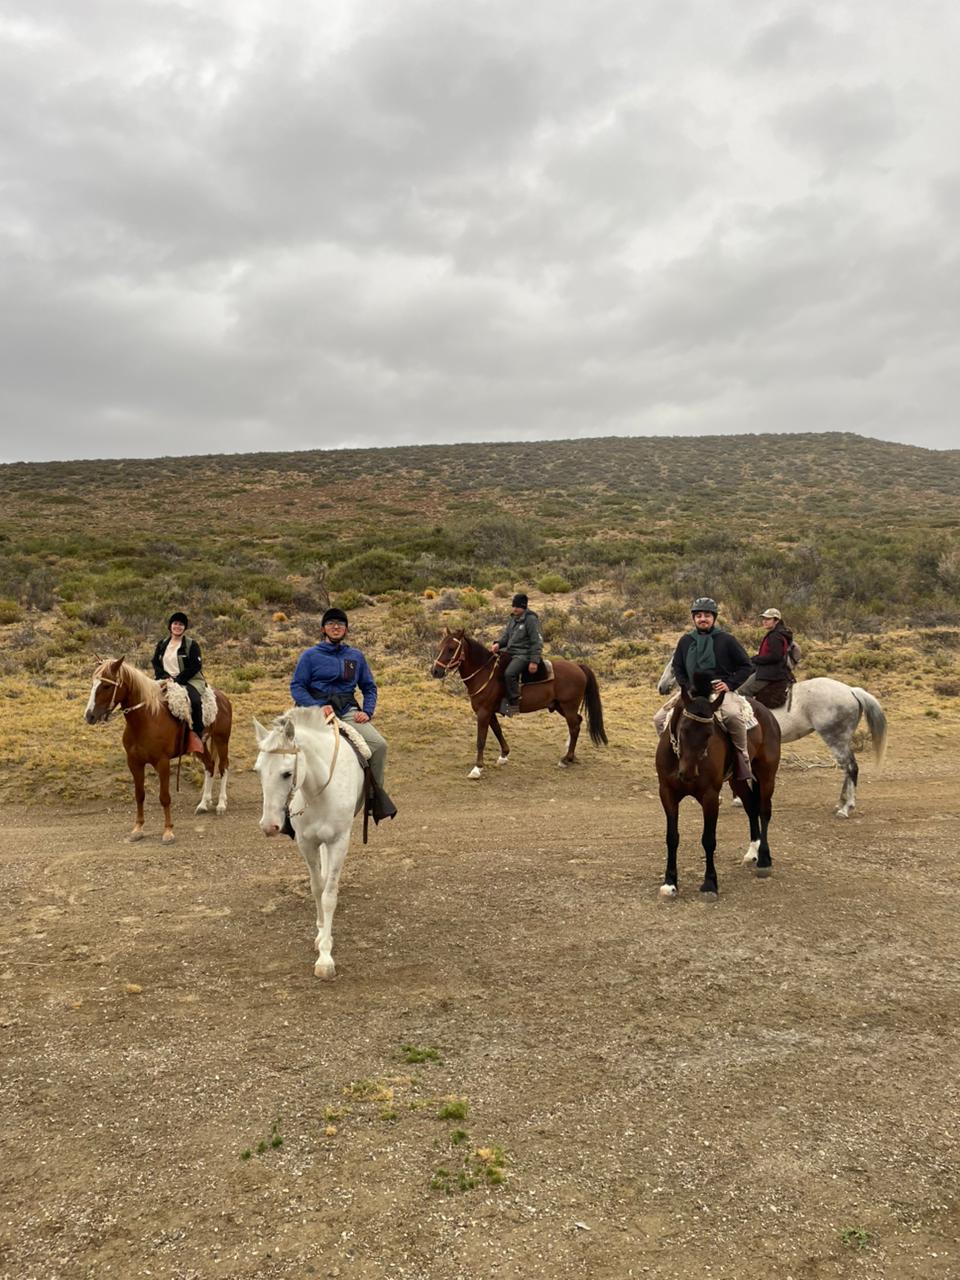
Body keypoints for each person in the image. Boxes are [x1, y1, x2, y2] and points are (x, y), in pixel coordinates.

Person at [290, 607, 394, 819]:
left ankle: (374, 798)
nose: (336, 627)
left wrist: (367, 711)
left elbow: (369, 687)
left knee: (379, 745)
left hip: (347, 710)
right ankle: (284, 806)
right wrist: (317, 705)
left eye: (340, 624)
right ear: (323, 629)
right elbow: (297, 687)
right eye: (331, 624)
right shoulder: (310, 656)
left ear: (346, 629)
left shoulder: (355, 656)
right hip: (314, 711)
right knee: (289, 749)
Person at [654, 596, 755, 781]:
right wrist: (686, 686)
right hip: (692, 692)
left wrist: (729, 684)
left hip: (719, 691)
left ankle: (742, 758)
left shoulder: (727, 640)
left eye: (707, 615)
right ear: (694, 618)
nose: (703, 619)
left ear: (714, 618)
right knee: (659, 718)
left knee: (733, 715)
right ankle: (678, 753)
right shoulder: (685, 641)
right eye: (699, 615)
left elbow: (746, 666)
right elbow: (678, 667)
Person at [151, 611, 206, 754]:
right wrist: (164, 676)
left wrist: (177, 680)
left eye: (181, 624)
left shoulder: (191, 645)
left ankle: (197, 734)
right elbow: (155, 662)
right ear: (170, 626)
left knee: (194, 701)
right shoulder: (162, 644)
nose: (178, 626)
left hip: (189, 680)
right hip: (165, 679)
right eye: (175, 623)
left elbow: (195, 666)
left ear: (184, 627)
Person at [491, 593, 543, 716]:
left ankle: (514, 704)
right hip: (510, 652)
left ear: (524, 606)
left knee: (510, 673)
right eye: (513, 606)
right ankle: (499, 700)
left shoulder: (530, 619)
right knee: (494, 668)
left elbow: (536, 641)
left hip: (523, 654)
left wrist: (534, 661)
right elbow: (506, 637)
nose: (514, 609)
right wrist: (498, 644)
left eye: (517, 606)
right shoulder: (513, 618)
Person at [739, 608, 796, 709]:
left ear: (776, 621)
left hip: (769, 673)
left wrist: (756, 659)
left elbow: (775, 656)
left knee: (742, 691)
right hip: (775, 671)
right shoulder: (780, 634)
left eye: (768, 619)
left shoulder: (775, 636)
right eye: (764, 619)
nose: (764, 621)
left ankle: (750, 716)